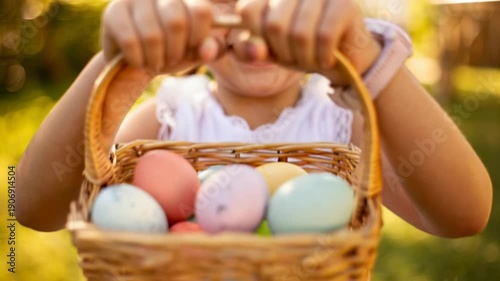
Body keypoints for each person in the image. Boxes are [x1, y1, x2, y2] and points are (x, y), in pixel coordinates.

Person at [16, 0, 491, 240]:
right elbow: (32, 207)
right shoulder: (169, 119)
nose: (253, 19)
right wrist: (116, 67)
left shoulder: (346, 125)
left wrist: (363, 59)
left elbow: (464, 216)